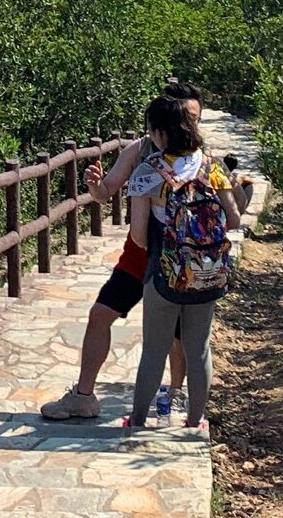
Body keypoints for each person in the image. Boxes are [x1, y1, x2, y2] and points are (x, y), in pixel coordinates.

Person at [38, 85, 200, 421]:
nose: (191, 125)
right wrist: (94, 185)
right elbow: (107, 192)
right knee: (100, 314)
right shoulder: (139, 152)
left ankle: (176, 395)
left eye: (194, 118)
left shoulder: (199, 160)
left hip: (178, 260)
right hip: (138, 256)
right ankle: (84, 397)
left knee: (176, 335)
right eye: (187, 117)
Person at [125, 94, 241, 433]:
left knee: (154, 351)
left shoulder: (149, 171)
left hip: (164, 272)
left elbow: (138, 235)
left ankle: (138, 420)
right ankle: (194, 421)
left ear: (159, 133)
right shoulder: (212, 166)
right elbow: (232, 220)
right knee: (199, 349)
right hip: (206, 273)